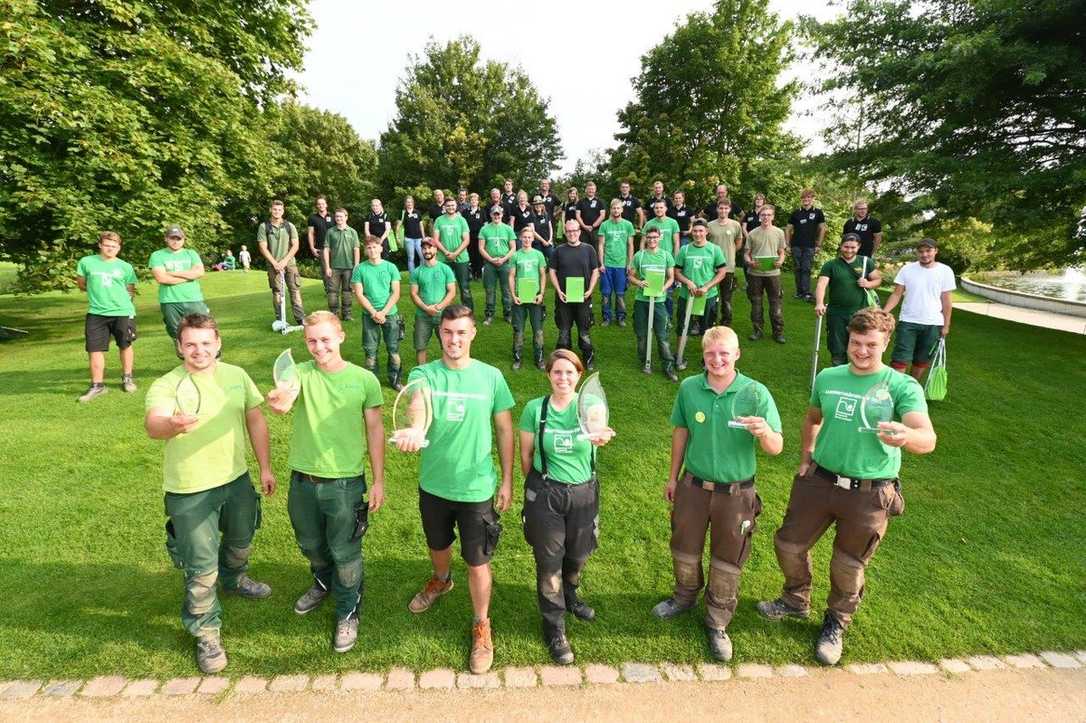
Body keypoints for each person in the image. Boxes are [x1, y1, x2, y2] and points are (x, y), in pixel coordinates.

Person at [757, 307, 936, 666]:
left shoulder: (902, 387)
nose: (862, 351)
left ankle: (836, 621)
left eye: (871, 344)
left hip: (870, 491)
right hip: (819, 480)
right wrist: (806, 456)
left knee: (848, 564)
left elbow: (927, 437)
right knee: (788, 544)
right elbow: (812, 417)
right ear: (848, 339)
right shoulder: (829, 376)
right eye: (856, 342)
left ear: (885, 343)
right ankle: (795, 599)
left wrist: (907, 435)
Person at [144, 313, 276, 674]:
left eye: (205, 343)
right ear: (179, 347)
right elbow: (153, 424)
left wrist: (264, 467)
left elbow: (255, 419)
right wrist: (170, 424)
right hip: (190, 489)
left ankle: (234, 579)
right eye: (190, 344)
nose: (198, 350)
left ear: (217, 343)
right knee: (201, 566)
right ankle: (206, 632)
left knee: (241, 539)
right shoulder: (167, 385)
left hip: (235, 479)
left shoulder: (236, 376)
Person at [394, 305, 515, 675]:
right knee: (438, 545)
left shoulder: (491, 377)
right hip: (435, 483)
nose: (454, 340)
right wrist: (415, 429)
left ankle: (482, 625)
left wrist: (508, 479)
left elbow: (505, 430)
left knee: (477, 560)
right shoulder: (424, 373)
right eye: (448, 333)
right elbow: (418, 405)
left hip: (476, 488)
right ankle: (442, 581)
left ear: (473, 333)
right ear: (440, 334)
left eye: (461, 332)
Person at [655, 326, 783, 661]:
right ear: (703, 355)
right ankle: (684, 597)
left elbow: (776, 447)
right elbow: (681, 432)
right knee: (684, 547)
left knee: (728, 558)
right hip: (693, 487)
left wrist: (765, 431)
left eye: (725, 352)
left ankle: (717, 620)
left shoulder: (755, 393)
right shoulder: (689, 388)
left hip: (737, 494)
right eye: (711, 353)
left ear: (737, 354)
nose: (717, 359)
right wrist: (673, 478)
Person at [265, 311, 385, 653]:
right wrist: (279, 402)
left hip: (346, 483)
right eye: (312, 341)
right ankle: (322, 581)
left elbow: (375, 430)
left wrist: (378, 480)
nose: (319, 347)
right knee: (310, 544)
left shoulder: (364, 380)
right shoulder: (300, 372)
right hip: (302, 480)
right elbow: (285, 399)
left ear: (341, 337)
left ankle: (348, 611)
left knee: (345, 552)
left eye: (325, 339)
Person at [519, 349, 614, 664]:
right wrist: (538, 486)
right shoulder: (535, 409)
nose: (563, 378)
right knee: (549, 564)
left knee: (578, 554)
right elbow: (526, 456)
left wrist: (599, 436)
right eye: (557, 372)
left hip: (584, 493)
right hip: (546, 493)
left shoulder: (590, 406)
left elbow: (598, 428)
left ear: (579, 375)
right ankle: (555, 628)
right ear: (548, 374)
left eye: (570, 372)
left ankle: (571, 595)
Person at [76, 231, 138, 401]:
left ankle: (127, 378)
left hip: (123, 312)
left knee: (125, 344)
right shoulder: (87, 262)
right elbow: (82, 284)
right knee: (94, 349)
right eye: (107, 245)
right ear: (100, 245)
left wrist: (128, 308)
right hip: (96, 313)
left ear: (119, 248)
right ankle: (97, 386)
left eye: (114, 246)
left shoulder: (125, 266)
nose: (110, 249)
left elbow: (130, 289)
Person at [882, 238, 955, 381]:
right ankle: (894, 390)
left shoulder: (945, 271)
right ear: (917, 253)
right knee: (900, 358)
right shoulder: (907, 269)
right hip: (908, 321)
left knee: (921, 360)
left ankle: (912, 387)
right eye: (921, 251)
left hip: (933, 323)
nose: (924, 254)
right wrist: (884, 312)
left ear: (935, 251)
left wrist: (946, 325)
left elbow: (946, 300)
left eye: (928, 251)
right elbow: (897, 294)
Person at [814, 234, 882, 366]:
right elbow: (821, 284)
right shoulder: (831, 265)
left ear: (859, 247)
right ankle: (839, 371)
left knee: (862, 344)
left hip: (862, 312)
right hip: (837, 312)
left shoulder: (866, 262)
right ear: (841, 246)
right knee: (837, 346)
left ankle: (860, 371)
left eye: (853, 247)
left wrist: (868, 284)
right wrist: (819, 303)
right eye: (846, 247)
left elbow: (878, 280)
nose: (849, 250)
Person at [351, 236, 403, 390]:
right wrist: (374, 312)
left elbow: (396, 293)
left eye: (375, 247)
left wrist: (384, 312)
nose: (372, 250)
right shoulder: (359, 269)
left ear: (381, 248)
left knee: (393, 350)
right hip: (369, 315)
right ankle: (372, 384)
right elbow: (359, 294)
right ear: (365, 250)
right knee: (370, 352)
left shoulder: (391, 267)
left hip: (391, 314)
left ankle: (395, 381)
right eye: (369, 248)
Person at [629, 227, 678, 382]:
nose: (652, 240)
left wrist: (663, 288)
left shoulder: (666, 256)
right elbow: (630, 275)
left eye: (655, 237)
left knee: (662, 335)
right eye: (649, 237)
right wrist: (639, 282)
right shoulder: (639, 256)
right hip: (641, 300)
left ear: (660, 238)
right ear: (646, 238)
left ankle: (668, 366)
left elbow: (671, 277)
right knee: (642, 334)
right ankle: (645, 361)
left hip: (659, 301)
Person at [548, 221, 600, 369]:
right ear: (565, 232)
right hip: (563, 298)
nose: (572, 233)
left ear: (579, 231)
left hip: (583, 298)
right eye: (569, 231)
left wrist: (590, 290)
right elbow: (552, 271)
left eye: (575, 230)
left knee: (584, 331)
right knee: (564, 332)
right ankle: (564, 358)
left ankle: (588, 357)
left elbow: (595, 271)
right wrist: (558, 290)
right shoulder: (558, 250)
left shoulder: (589, 249)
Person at [673, 219, 728, 353]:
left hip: (708, 296)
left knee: (708, 329)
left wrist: (707, 287)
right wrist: (688, 282)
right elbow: (676, 272)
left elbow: (722, 272)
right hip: (687, 295)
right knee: (683, 326)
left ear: (706, 232)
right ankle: (679, 355)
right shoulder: (684, 250)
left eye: (700, 231)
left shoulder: (715, 250)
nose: (697, 234)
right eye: (695, 231)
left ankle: (707, 357)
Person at [149, 225, 210, 341]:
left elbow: (200, 272)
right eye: (172, 238)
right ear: (166, 239)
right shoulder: (157, 255)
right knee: (176, 333)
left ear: (183, 239)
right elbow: (162, 279)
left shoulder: (191, 253)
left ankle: (212, 355)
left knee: (204, 329)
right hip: (169, 300)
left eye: (179, 238)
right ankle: (184, 356)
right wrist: (189, 276)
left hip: (193, 298)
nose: (176, 241)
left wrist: (171, 273)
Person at [256, 199, 305, 326]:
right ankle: (280, 319)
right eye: (274, 209)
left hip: (289, 264)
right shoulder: (264, 226)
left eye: (279, 210)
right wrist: (275, 263)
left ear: (283, 211)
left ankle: (300, 319)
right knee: (277, 292)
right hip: (273, 265)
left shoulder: (290, 226)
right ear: (270, 210)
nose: (277, 212)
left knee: (295, 290)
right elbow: (262, 247)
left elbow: (295, 246)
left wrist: (284, 261)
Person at [409, 238, 457, 365]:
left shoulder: (445, 269)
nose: (427, 251)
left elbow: (452, 291)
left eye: (430, 247)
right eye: (424, 248)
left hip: (443, 316)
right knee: (420, 346)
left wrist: (438, 307)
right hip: (422, 316)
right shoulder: (417, 272)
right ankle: (422, 373)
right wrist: (426, 308)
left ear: (436, 249)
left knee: (448, 345)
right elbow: (413, 293)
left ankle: (449, 370)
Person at [744, 204, 787, 343]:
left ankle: (778, 332)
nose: (766, 217)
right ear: (759, 216)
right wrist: (749, 262)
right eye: (763, 215)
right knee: (756, 303)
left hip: (773, 273)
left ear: (773, 216)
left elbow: (782, 252)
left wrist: (780, 261)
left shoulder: (779, 232)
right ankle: (757, 331)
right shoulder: (752, 233)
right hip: (755, 273)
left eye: (769, 215)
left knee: (775, 303)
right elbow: (746, 253)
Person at [508, 225, 548, 369]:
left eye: (529, 237)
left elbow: (543, 275)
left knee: (538, 330)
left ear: (533, 238)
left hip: (535, 297)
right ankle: (517, 358)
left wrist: (541, 294)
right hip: (519, 297)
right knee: (518, 330)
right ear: (520, 238)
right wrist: (513, 295)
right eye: (524, 237)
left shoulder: (538, 255)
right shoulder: (515, 256)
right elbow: (511, 276)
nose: (526, 239)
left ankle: (540, 358)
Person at [596, 199, 635, 327]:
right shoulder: (604, 225)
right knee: (606, 294)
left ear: (622, 210)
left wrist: (629, 263)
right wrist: (601, 263)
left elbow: (630, 245)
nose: (616, 210)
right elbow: (601, 245)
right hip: (607, 265)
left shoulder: (628, 225)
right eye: (614, 208)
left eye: (618, 208)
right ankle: (607, 317)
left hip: (621, 265)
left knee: (620, 294)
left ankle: (621, 317)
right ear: (611, 210)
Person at [432, 197, 474, 310]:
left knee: (464, 287)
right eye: (448, 205)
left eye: (453, 205)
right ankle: (444, 311)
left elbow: (466, 240)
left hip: (461, 258)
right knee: (443, 286)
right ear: (444, 207)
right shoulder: (439, 220)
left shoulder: (462, 220)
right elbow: (435, 239)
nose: (451, 207)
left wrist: (455, 253)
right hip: (443, 259)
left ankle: (468, 312)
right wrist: (446, 252)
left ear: (456, 206)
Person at [706, 200, 743, 327]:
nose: (723, 211)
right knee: (709, 296)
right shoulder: (709, 225)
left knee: (726, 297)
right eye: (721, 208)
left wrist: (730, 252)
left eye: (726, 208)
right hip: (711, 267)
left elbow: (738, 242)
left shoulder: (736, 225)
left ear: (730, 209)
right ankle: (709, 320)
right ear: (717, 209)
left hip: (728, 266)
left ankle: (726, 322)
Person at [786, 189, 828, 301]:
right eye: (804, 198)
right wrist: (787, 245)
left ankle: (806, 292)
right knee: (798, 268)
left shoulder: (818, 212)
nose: (806, 199)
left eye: (809, 197)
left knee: (806, 268)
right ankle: (799, 292)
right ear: (801, 199)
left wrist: (819, 244)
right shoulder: (796, 213)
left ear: (813, 199)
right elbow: (788, 229)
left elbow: (822, 229)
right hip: (796, 245)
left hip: (810, 246)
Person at [642, 199, 682, 315]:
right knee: (651, 289)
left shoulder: (673, 223)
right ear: (653, 210)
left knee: (667, 291)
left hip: (667, 261)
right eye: (656, 208)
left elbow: (676, 243)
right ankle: (652, 315)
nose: (659, 210)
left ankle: (667, 317)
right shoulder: (649, 224)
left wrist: (676, 261)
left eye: (661, 207)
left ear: (665, 209)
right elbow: (643, 242)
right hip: (652, 260)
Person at [479, 205, 517, 325]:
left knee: (506, 290)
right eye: (494, 214)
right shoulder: (484, 229)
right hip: (490, 264)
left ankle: (508, 314)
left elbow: (513, 248)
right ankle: (489, 315)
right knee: (490, 290)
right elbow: (481, 247)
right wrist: (490, 259)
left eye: (498, 214)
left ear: (502, 214)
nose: (496, 216)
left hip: (505, 263)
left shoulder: (508, 229)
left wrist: (504, 258)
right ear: (490, 215)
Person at [323, 208, 360, 321]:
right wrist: (327, 266)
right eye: (337, 216)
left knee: (347, 291)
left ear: (346, 217)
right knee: (332, 292)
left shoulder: (352, 232)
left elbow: (356, 249)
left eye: (341, 216)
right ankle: (334, 315)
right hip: (334, 267)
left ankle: (347, 314)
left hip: (349, 267)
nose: (338, 218)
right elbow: (326, 249)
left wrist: (356, 266)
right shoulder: (330, 231)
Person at [463, 192, 487, 279]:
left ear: (478, 201)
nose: (473, 201)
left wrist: (484, 235)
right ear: (469, 201)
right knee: (470, 254)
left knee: (479, 255)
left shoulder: (482, 211)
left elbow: (485, 224)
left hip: (479, 237)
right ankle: (472, 273)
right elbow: (463, 224)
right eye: (472, 200)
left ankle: (479, 273)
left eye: (475, 200)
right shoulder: (465, 212)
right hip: (469, 237)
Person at [399, 196, 425, 274]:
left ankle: (422, 273)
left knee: (422, 256)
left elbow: (421, 225)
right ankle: (412, 276)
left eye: (410, 202)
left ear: (413, 203)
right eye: (407, 202)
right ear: (405, 203)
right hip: (408, 238)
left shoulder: (417, 212)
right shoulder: (403, 213)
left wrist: (423, 237)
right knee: (411, 258)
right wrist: (399, 237)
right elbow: (398, 225)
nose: (409, 203)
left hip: (419, 238)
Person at [576, 181, 605, 247]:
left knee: (597, 250)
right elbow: (577, 215)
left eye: (592, 189)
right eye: (589, 189)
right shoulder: (580, 202)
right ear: (586, 190)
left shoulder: (600, 201)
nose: (591, 191)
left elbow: (602, 215)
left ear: (595, 190)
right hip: (583, 231)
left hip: (596, 230)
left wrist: (593, 226)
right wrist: (584, 226)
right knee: (583, 250)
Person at [307, 195, 333, 267]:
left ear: (326, 205)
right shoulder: (312, 218)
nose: (321, 206)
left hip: (334, 248)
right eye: (319, 204)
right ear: (317, 206)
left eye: (323, 204)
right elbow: (310, 233)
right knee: (326, 272)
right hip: (321, 248)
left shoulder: (333, 216)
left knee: (336, 272)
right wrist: (312, 248)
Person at [530, 195, 556, 263]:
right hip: (537, 243)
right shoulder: (531, 216)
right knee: (540, 261)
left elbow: (550, 228)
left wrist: (550, 240)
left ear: (542, 204)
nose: (538, 205)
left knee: (553, 258)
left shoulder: (546, 214)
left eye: (539, 203)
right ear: (533, 205)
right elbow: (533, 231)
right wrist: (543, 241)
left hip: (548, 241)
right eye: (536, 204)